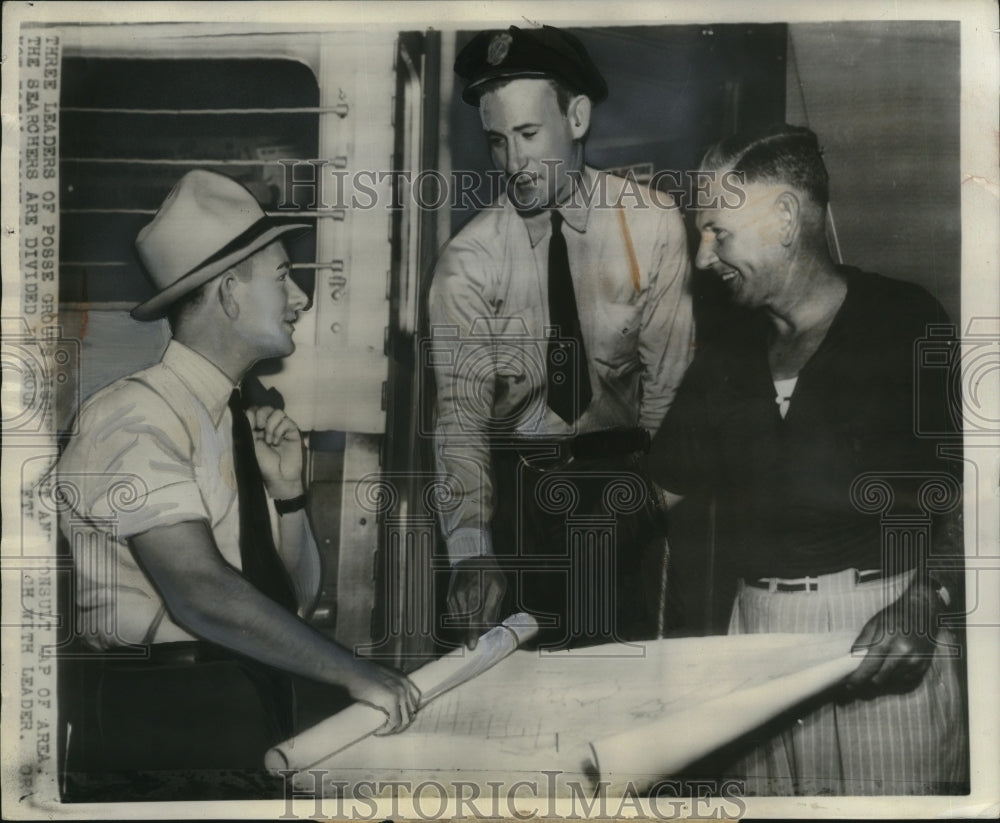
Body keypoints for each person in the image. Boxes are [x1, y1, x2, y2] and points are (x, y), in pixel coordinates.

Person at [54, 170, 419, 781]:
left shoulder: (229, 418)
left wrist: (290, 497)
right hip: (163, 718)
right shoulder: (133, 416)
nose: (301, 298)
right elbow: (199, 590)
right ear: (227, 294)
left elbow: (291, 603)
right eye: (282, 278)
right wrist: (356, 671)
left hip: (240, 697)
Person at [650, 124, 966, 794]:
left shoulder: (905, 321)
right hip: (755, 643)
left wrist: (929, 596)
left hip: (883, 642)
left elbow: (978, 491)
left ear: (785, 219)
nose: (704, 258)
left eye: (717, 232)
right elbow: (656, 492)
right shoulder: (728, 355)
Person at [429, 25, 694, 649]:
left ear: (576, 117)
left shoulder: (652, 223)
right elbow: (460, 421)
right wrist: (471, 551)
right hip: (519, 500)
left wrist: (651, 505)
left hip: (626, 485)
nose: (514, 164)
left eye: (527, 135)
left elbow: (670, 386)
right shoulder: (467, 261)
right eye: (497, 141)